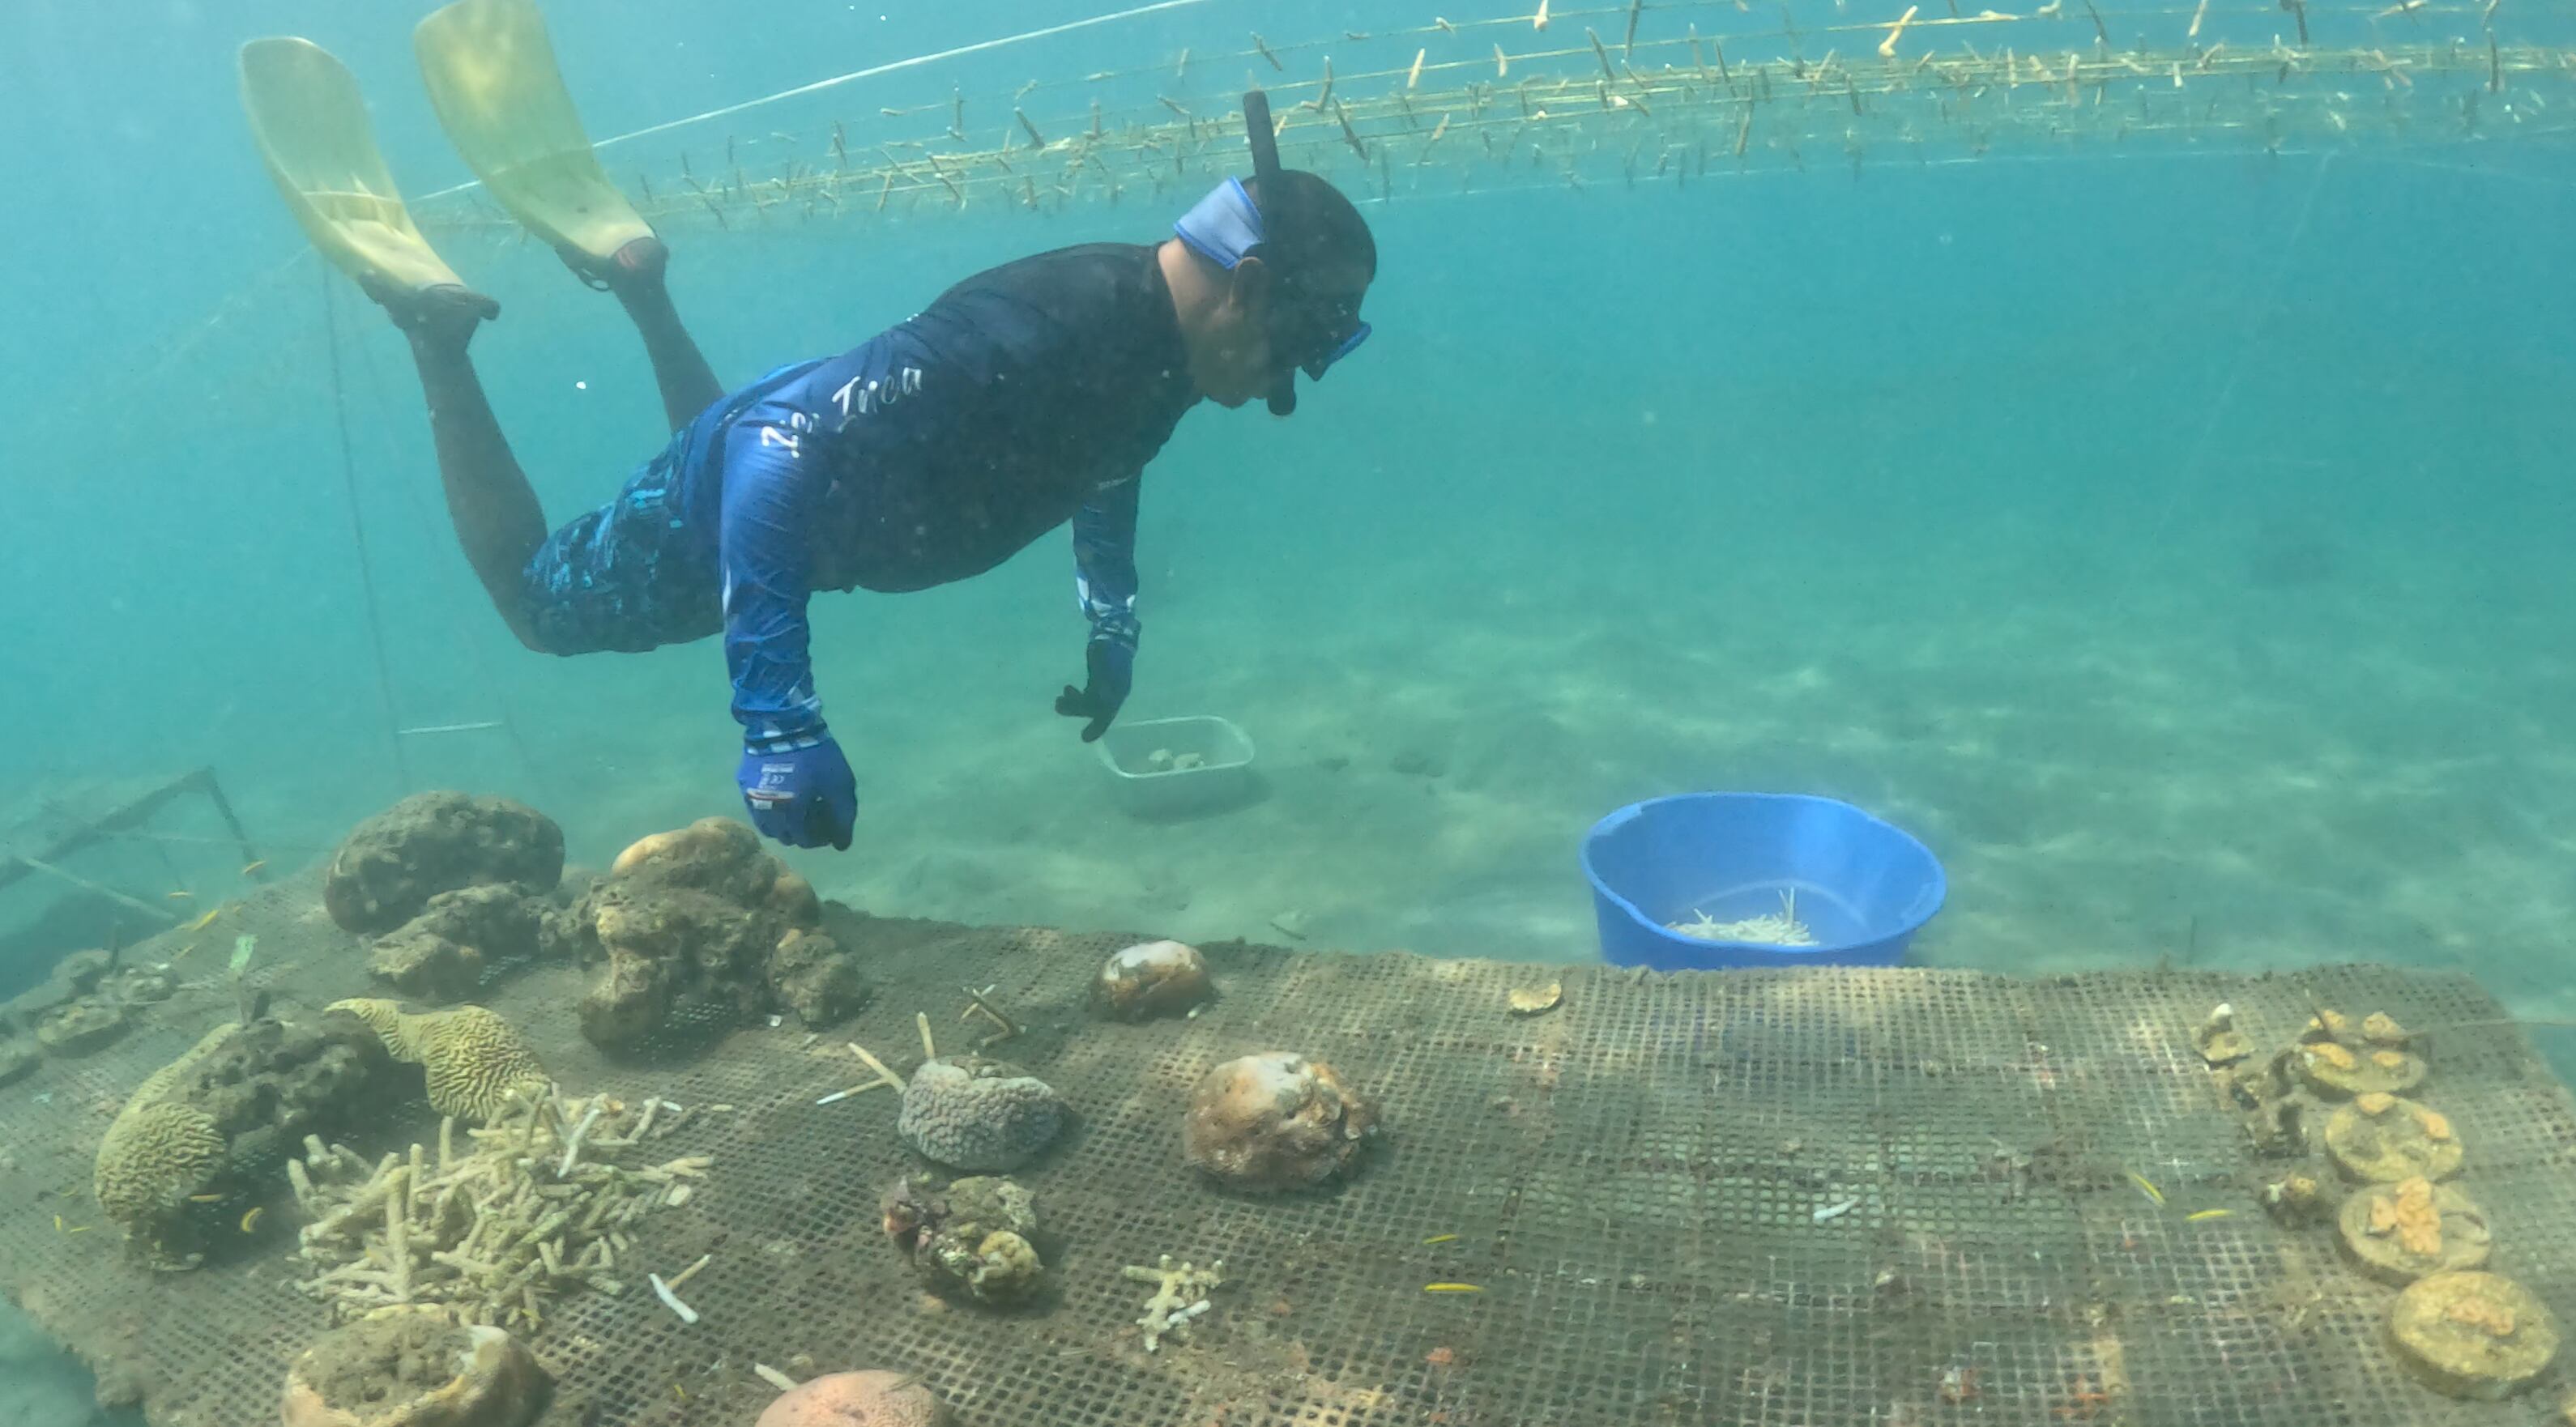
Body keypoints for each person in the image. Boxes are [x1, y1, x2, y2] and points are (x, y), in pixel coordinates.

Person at [241, 0, 1375, 852]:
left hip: (806, 489)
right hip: (773, 477)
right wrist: (777, 717)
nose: (1299, 377)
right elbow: (778, 442)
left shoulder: (1156, 355)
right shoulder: (1049, 328)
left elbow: (1104, 465)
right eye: (1315, 340)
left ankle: (640, 285)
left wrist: (1112, 630)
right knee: (540, 606)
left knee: (722, 458)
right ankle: (438, 337)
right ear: (1255, 282)